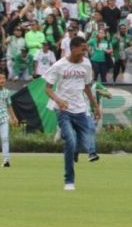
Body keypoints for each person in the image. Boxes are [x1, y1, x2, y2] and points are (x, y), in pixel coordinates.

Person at [44, 36, 102, 191]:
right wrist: (59, 100)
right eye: (83, 48)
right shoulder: (59, 65)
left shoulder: (86, 64)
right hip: (63, 110)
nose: (85, 51)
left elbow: (87, 86)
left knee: (90, 130)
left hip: (81, 109)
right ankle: (69, 181)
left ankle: (82, 151)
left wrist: (95, 106)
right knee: (70, 140)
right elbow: (48, 88)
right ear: (73, 48)